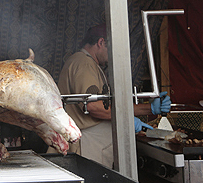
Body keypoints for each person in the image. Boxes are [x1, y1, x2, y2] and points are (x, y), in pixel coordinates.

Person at [55, 23, 171, 168]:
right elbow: (92, 106)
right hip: (87, 144)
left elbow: (109, 107)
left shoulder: (91, 64)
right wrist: (125, 119)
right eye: (113, 49)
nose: (114, 55)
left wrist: (150, 109)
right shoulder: (84, 63)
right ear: (101, 42)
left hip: (94, 144)